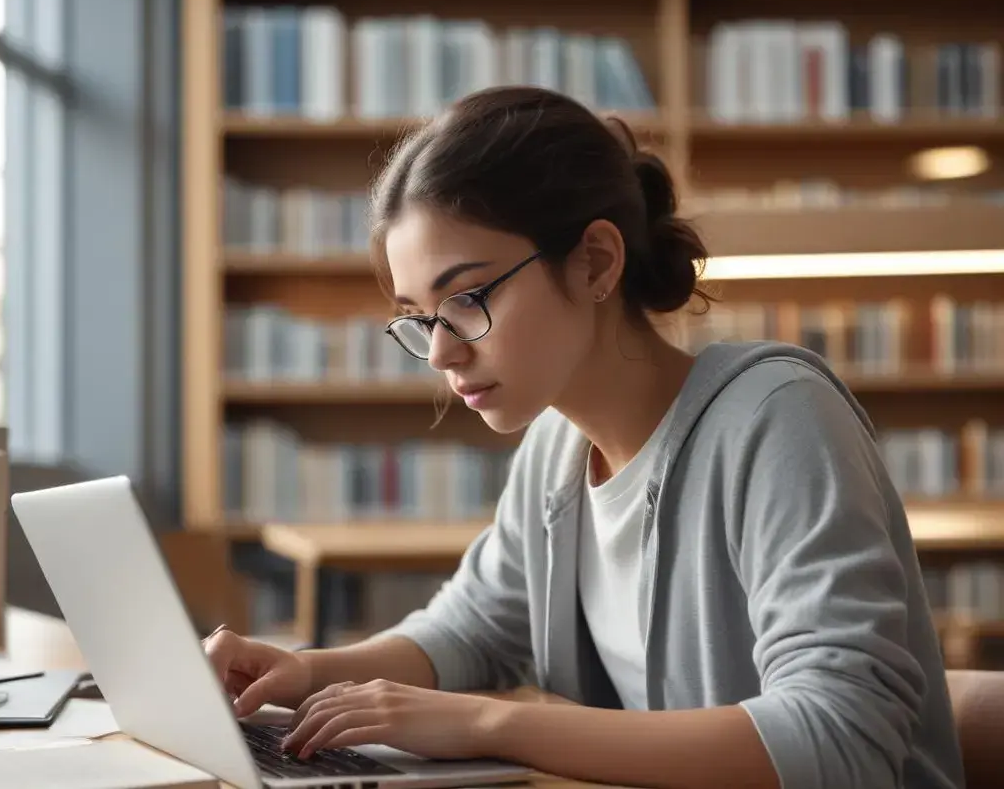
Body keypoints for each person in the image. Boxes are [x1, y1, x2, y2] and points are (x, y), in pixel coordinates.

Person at [205, 86, 964, 789]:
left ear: (595, 262)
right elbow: (472, 627)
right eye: (420, 316)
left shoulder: (777, 418)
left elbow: (840, 738)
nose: (439, 352)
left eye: (465, 298)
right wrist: (306, 673)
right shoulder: (555, 448)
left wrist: (489, 723)